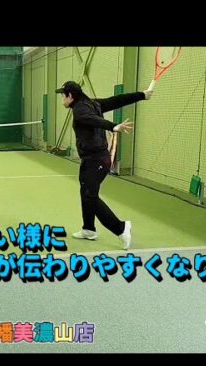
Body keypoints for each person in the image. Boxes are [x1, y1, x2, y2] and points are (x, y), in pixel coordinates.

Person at [55, 81, 153, 249]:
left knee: (90, 197)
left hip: (97, 160)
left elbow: (93, 120)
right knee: (85, 191)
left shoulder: (80, 110)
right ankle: (89, 229)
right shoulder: (92, 104)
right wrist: (142, 95)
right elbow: (117, 100)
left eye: (63, 95)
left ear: (70, 96)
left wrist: (113, 126)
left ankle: (121, 228)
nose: (62, 99)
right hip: (91, 159)